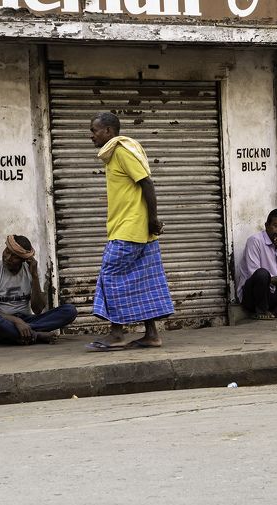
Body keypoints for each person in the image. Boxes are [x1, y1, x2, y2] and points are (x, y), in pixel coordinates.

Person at [86, 111, 174, 351]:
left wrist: (153, 220)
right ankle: (152, 334)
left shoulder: (123, 152)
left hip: (129, 230)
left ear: (108, 132)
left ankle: (116, 333)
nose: (91, 135)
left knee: (110, 276)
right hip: (136, 230)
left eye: (94, 130)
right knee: (144, 280)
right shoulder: (115, 154)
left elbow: (146, 182)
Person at [0, 235, 77, 345]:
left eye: (14, 256)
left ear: (23, 259)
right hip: (4, 320)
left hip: (28, 320)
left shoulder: (32, 271)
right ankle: (36, 335)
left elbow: (38, 309)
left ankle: (23, 334)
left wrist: (34, 276)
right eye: (7, 251)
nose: (7, 258)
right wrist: (17, 321)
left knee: (69, 310)